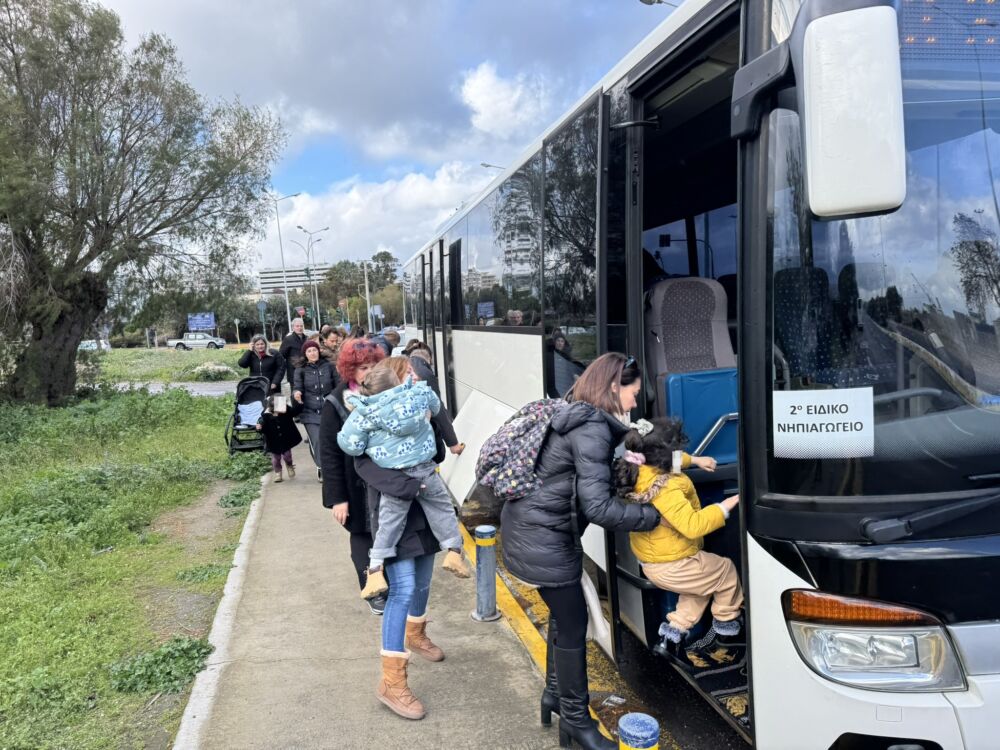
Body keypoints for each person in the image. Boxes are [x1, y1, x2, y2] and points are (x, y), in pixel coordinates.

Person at [500, 352, 661, 750]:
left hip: (534, 530)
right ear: (614, 387)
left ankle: (555, 696)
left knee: (565, 616)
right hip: (543, 539)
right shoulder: (591, 428)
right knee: (573, 624)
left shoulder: (578, 413)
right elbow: (598, 507)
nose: (636, 402)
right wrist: (653, 516)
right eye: (634, 392)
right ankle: (576, 721)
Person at [615, 418, 742, 665]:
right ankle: (727, 630)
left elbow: (673, 460)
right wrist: (724, 507)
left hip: (658, 561)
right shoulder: (666, 488)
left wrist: (695, 461)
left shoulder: (641, 469)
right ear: (662, 456)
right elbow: (692, 526)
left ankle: (671, 640)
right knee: (725, 571)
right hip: (674, 563)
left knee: (701, 586)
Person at [337, 366, 471, 599]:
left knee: (389, 523)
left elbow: (350, 445)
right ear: (397, 383)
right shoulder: (419, 394)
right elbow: (437, 408)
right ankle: (454, 552)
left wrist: (369, 443)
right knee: (443, 510)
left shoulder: (364, 411)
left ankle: (375, 571)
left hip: (396, 477)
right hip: (426, 470)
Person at [319, 338, 387, 613]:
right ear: (349, 369)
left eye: (372, 366)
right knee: (363, 535)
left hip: (385, 481)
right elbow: (329, 455)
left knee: (389, 533)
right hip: (356, 486)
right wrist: (338, 498)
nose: (368, 373)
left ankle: (389, 581)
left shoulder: (386, 393)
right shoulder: (336, 402)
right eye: (362, 368)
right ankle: (372, 590)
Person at [294, 340, 336, 480]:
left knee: (331, 440)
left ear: (319, 351)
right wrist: (297, 393)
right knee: (317, 440)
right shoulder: (300, 370)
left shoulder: (329, 366)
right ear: (305, 354)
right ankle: (321, 468)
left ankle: (332, 467)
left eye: (314, 350)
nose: (312, 353)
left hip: (329, 410)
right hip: (310, 412)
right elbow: (297, 387)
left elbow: (338, 385)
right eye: (309, 351)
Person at [255, 395, 301, 482]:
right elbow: (263, 427)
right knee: (276, 459)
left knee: (287, 456)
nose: (282, 410)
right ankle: (278, 473)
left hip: (285, 439)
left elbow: (295, 412)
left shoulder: (286, 410)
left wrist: (299, 402)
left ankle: (289, 465)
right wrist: (259, 428)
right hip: (273, 441)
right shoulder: (266, 415)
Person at [279, 317, 307, 393]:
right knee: (296, 393)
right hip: (293, 372)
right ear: (293, 327)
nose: (300, 328)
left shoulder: (307, 338)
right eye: (297, 326)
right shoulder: (288, 339)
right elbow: (281, 355)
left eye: (301, 326)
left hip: (306, 370)